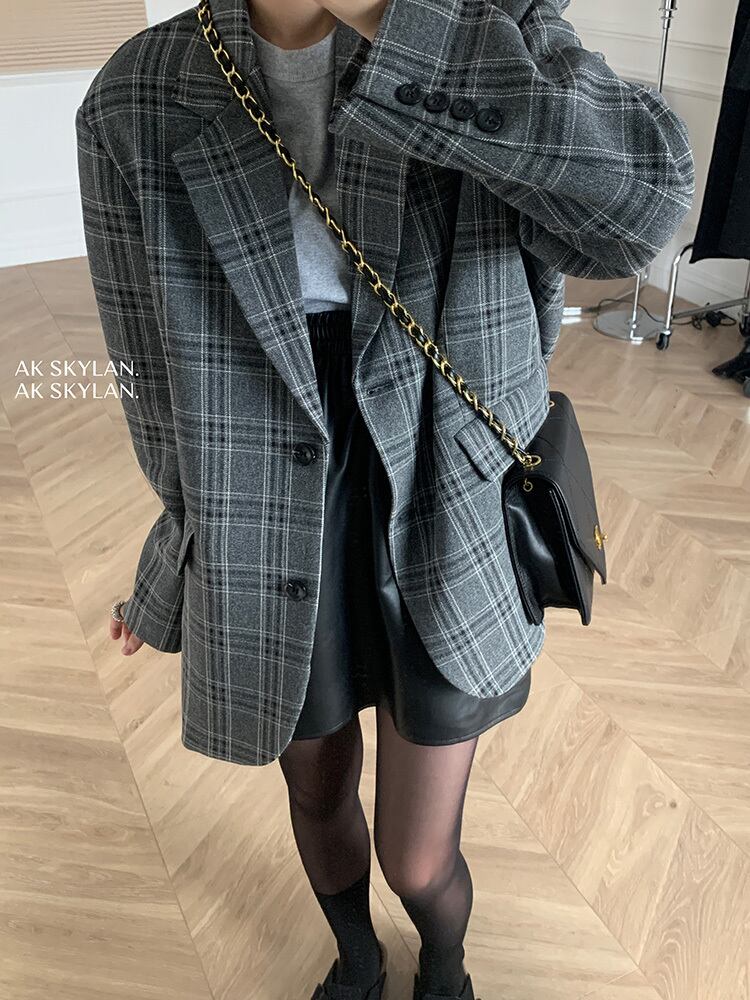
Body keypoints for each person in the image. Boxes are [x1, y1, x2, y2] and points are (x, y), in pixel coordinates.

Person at [75, 1, 695, 997]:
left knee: (419, 855)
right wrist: (175, 556)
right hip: (257, 479)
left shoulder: (491, 25)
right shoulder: (139, 94)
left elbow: (642, 211)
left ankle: (443, 962)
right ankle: (357, 959)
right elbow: (147, 371)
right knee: (317, 789)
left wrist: (405, 28)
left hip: (446, 468)